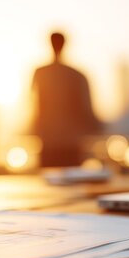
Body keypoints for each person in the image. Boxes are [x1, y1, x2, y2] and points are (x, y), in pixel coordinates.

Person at [31, 32, 99, 167]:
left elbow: (33, 105)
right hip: (69, 141)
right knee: (72, 183)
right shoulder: (77, 75)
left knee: (50, 183)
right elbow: (87, 110)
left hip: (50, 140)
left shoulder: (40, 73)